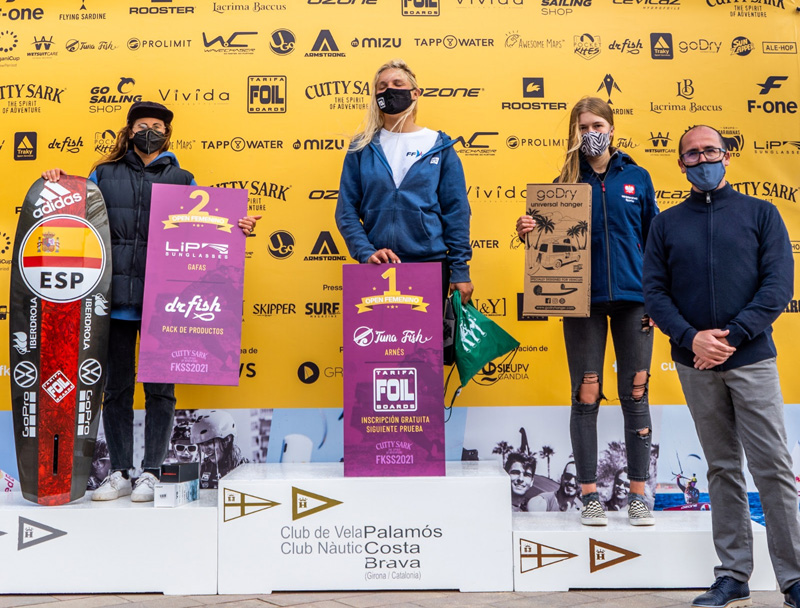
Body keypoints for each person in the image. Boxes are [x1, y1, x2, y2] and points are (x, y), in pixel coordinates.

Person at [42, 101, 260, 502]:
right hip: (114, 299)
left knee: (161, 391)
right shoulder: (102, 174)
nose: (149, 131)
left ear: (167, 134)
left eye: (156, 126)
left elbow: (210, 227)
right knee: (118, 388)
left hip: (166, 304)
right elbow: (71, 213)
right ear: (129, 131)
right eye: (142, 125)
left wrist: (238, 228)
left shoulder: (183, 178)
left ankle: (153, 472)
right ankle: (122, 471)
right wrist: (56, 181)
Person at [643, 124, 800, 608]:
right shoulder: (665, 224)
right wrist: (692, 339)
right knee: (722, 468)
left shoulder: (762, 214)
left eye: (710, 151)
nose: (702, 159)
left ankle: (794, 579)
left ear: (727, 157)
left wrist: (730, 337)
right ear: (681, 164)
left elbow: (777, 287)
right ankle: (732, 576)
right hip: (695, 363)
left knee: (772, 468)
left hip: (751, 359)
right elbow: (655, 292)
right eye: (692, 154)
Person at [516, 97, 658, 527]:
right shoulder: (562, 185)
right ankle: (590, 496)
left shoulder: (637, 177)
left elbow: (656, 241)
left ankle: (637, 494)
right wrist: (527, 233)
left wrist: (658, 299)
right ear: (574, 133)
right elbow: (548, 252)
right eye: (582, 127)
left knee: (636, 393)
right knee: (586, 394)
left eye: (598, 124)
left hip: (635, 300)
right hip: (581, 302)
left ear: (612, 128)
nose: (590, 132)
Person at [335, 59, 473, 306]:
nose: (389, 89)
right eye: (382, 86)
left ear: (415, 93)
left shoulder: (439, 146)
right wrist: (366, 252)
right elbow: (346, 211)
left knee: (426, 345)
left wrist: (460, 269)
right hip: (377, 266)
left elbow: (457, 211)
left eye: (398, 83)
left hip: (430, 265)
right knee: (379, 343)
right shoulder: (361, 147)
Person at [191, 410, 249, 489]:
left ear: (227, 439)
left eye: (209, 442)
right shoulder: (203, 469)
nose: (204, 449)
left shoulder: (247, 468)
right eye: (201, 444)